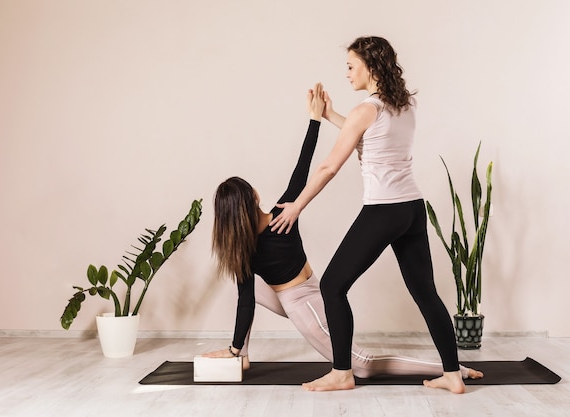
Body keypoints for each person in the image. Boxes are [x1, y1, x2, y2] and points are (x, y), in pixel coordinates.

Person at [202, 83, 483, 382]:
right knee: (363, 365)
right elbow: (304, 166)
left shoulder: (242, 245)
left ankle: (238, 353)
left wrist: (234, 348)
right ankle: (454, 370)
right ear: (254, 196)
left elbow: (246, 301)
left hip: (296, 301)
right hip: (300, 305)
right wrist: (314, 119)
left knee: (249, 290)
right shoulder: (284, 215)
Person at [269, 37, 468, 393]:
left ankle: (341, 372)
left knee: (332, 285)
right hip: (412, 210)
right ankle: (452, 375)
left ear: (370, 66)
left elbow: (330, 165)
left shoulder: (366, 110)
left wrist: (297, 205)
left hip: (383, 209)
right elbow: (368, 135)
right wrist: (330, 114)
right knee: (425, 292)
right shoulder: (405, 105)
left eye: (350, 65)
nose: (346, 73)